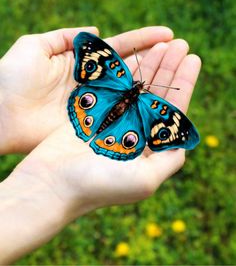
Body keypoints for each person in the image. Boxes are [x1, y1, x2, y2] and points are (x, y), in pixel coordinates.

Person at [0, 26, 201, 263]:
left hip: (97, 103)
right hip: (120, 123)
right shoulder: (155, 106)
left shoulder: (120, 75)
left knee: (94, 106)